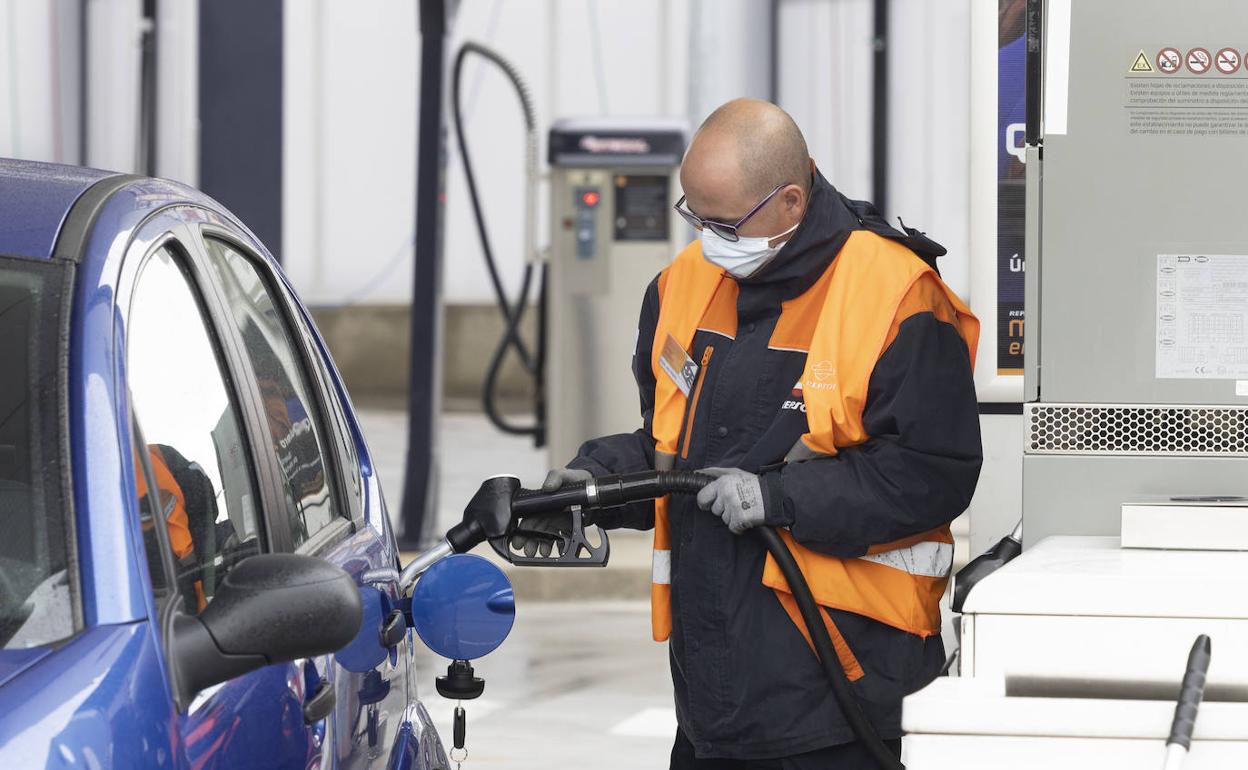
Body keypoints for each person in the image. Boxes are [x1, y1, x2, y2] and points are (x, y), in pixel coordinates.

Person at [520, 98, 982, 768]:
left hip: (844, 698)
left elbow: (931, 472)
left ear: (790, 201)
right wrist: (593, 481)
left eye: (722, 222)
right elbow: (670, 447)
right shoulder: (681, 285)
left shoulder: (895, 293)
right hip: (714, 703)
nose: (706, 237)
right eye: (694, 215)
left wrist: (781, 498)